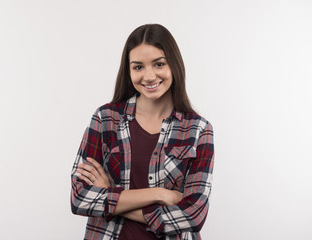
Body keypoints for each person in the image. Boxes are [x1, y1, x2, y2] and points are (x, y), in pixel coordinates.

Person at [70, 23, 214, 240]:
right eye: (138, 67)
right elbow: (79, 198)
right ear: (128, 71)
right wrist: (159, 194)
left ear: (173, 65)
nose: (148, 76)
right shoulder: (105, 119)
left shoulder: (198, 129)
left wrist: (112, 198)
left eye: (158, 64)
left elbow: (192, 216)